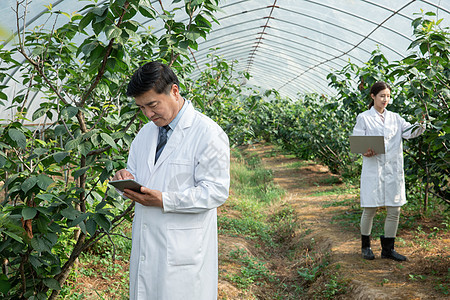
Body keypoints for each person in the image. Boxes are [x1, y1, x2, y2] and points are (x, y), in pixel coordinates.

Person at [112, 61, 230, 299]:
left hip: (183, 253)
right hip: (147, 245)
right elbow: (134, 172)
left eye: (152, 105)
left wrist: (166, 200)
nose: (148, 114)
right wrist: (124, 178)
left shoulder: (207, 133)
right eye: (141, 107)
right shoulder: (145, 134)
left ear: (174, 91)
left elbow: (216, 191)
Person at [352, 81, 425, 261]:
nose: (385, 99)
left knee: (395, 210)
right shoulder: (364, 118)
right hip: (373, 168)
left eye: (388, 96)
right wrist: (365, 151)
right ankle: (366, 247)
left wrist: (422, 123)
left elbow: (410, 132)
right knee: (370, 209)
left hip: (393, 171)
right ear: (373, 97)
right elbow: (356, 141)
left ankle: (388, 249)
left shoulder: (396, 118)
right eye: (382, 96)